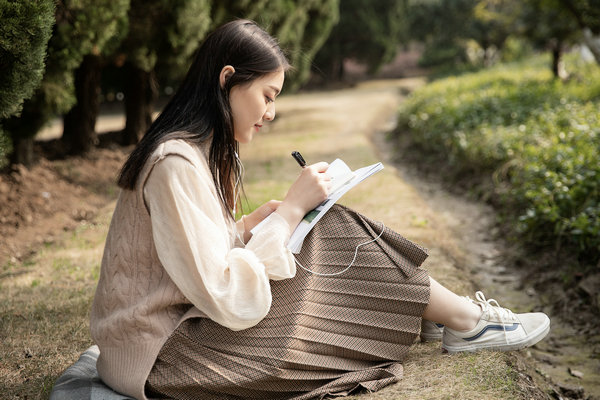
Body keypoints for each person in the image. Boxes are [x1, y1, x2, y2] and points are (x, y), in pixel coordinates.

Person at [90, 19, 550, 400]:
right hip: (166, 358)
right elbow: (226, 295)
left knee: (319, 226)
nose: (270, 112)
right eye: (267, 96)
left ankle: (448, 316)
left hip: (176, 339)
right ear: (227, 79)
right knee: (322, 229)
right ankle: (462, 320)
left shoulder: (192, 153)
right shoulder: (175, 162)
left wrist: (252, 224)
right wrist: (290, 211)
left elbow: (190, 257)